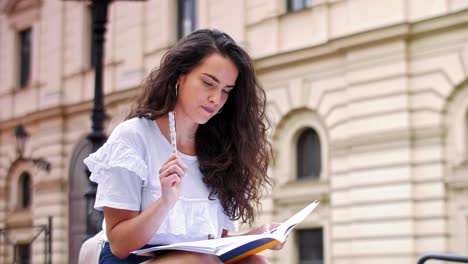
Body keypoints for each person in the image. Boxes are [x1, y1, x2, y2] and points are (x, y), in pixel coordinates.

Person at [84, 28, 282, 264]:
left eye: (226, 91)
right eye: (209, 83)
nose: (216, 99)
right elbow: (119, 245)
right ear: (180, 76)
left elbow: (218, 245)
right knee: (198, 262)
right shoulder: (133, 137)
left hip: (199, 260)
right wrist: (164, 202)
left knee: (257, 262)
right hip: (134, 260)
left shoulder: (221, 152)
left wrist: (257, 237)